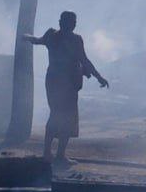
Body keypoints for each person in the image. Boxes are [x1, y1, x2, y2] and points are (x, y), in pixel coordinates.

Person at [20, 11, 109, 165]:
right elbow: (85, 60)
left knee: (60, 116)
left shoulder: (54, 36)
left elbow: (37, 41)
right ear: (63, 22)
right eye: (71, 22)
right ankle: (53, 154)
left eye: (73, 22)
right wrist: (98, 76)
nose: (72, 25)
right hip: (64, 83)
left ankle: (54, 154)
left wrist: (26, 37)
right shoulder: (70, 39)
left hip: (60, 82)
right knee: (61, 116)